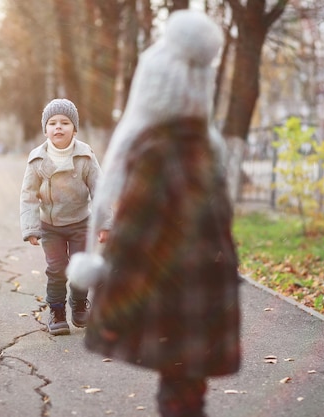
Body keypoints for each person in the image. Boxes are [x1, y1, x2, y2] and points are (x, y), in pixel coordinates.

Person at [67, 10, 240, 417]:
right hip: (209, 290)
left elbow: (134, 234)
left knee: (176, 399)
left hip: (175, 293)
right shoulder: (206, 148)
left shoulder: (154, 152)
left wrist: (110, 305)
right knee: (187, 392)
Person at [20, 98, 110, 336]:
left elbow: (100, 190)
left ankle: (79, 306)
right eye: (52, 123)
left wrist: (104, 223)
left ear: (75, 128)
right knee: (57, 269)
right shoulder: (37, 159)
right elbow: (28, 195)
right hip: (50, 226)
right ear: (45, 129)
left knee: (80, 266)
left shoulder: (85, 156)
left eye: (65, 122)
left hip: (81, 222)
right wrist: (30, 228)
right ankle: (57, 312)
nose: (58, 127)